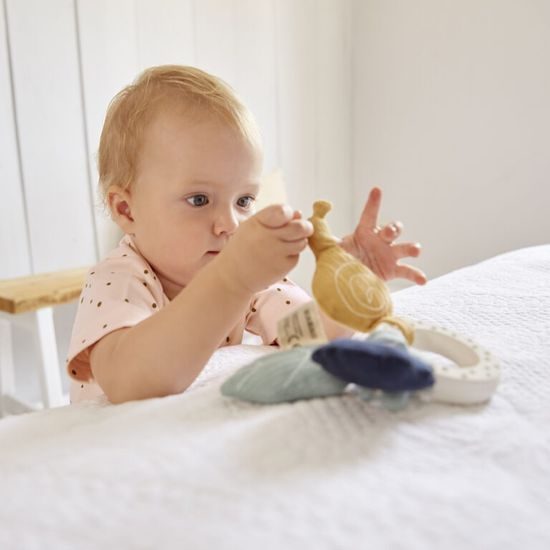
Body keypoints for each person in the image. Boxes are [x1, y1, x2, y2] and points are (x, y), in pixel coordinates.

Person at [66, 65, 426, 405]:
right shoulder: (118, 280)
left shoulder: (243, 275)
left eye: (244, 200)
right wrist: (232, 280)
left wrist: (350, 288)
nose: (230, 224)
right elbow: (133, 382)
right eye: (199, 199)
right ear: (126, 210)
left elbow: (305, 337)